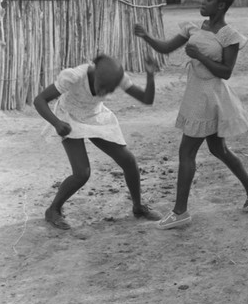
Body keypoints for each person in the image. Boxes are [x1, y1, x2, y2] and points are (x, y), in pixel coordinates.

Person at [134, 0, 248, 230]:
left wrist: (200, 56)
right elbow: (166, 47)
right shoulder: (196, 27)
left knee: (186, 153)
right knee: (219, 150)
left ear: (220, 5)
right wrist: (146, 36)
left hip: (209, 97)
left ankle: (180, 212)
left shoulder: (229, 36)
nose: (202, 2)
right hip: (197, 94)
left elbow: (226, 72)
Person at [34, 53, 161, 230]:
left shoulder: (117, 77)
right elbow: (39, 100)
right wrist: (56, 123)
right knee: (82, 173)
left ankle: (138, 207)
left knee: (129, 161)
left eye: (109, 90)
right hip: (68, 117)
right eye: (101, 87)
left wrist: (149, 75)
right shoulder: (75, 76)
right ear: (94, 73)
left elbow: (147, 99)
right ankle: (53, 210)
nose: (103, 92)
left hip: (95, 116)